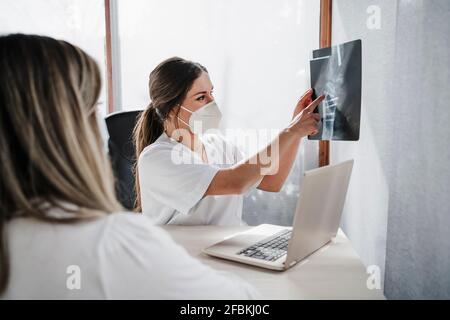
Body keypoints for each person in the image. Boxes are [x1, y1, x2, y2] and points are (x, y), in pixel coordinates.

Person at [0, 34, 259, 299]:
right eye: (93, 107)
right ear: (65, 129)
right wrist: (291, 130)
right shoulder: (109, 244)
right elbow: (242, 301)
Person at [134, 57, 324, 225]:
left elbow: (272, 181)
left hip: (223, 252)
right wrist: (290, 131)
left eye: (211, 93)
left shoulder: (218, 144)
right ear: (173, 109)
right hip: (184, 258)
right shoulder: (156, 158)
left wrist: (297, 132)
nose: (212, 102)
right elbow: (236, 182)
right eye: (201, 97)